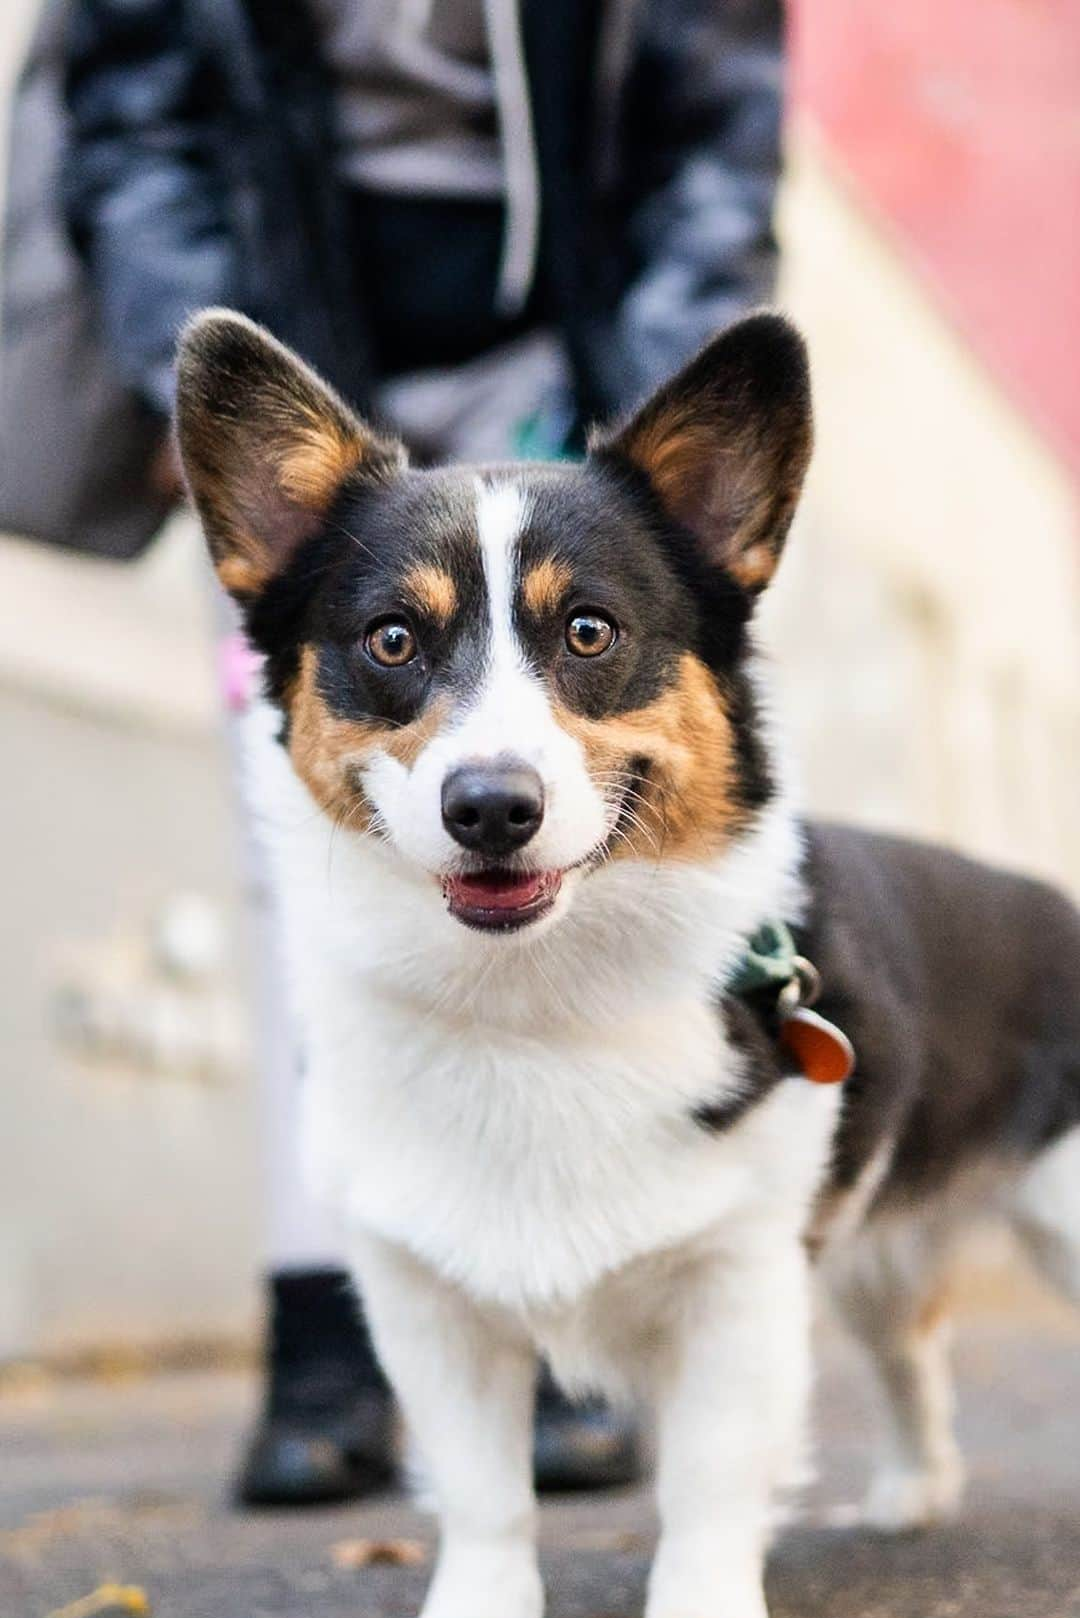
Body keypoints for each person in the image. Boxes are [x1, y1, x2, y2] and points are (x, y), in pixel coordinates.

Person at [2, 0, 783, 1504]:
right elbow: (137, 108)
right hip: (285, 325)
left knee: (567, 821)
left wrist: (658, 428)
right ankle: (326, 1326)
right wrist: (194, 361)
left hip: (562, 338)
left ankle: (576, 1329)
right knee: (303, 843)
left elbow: (709, 128)